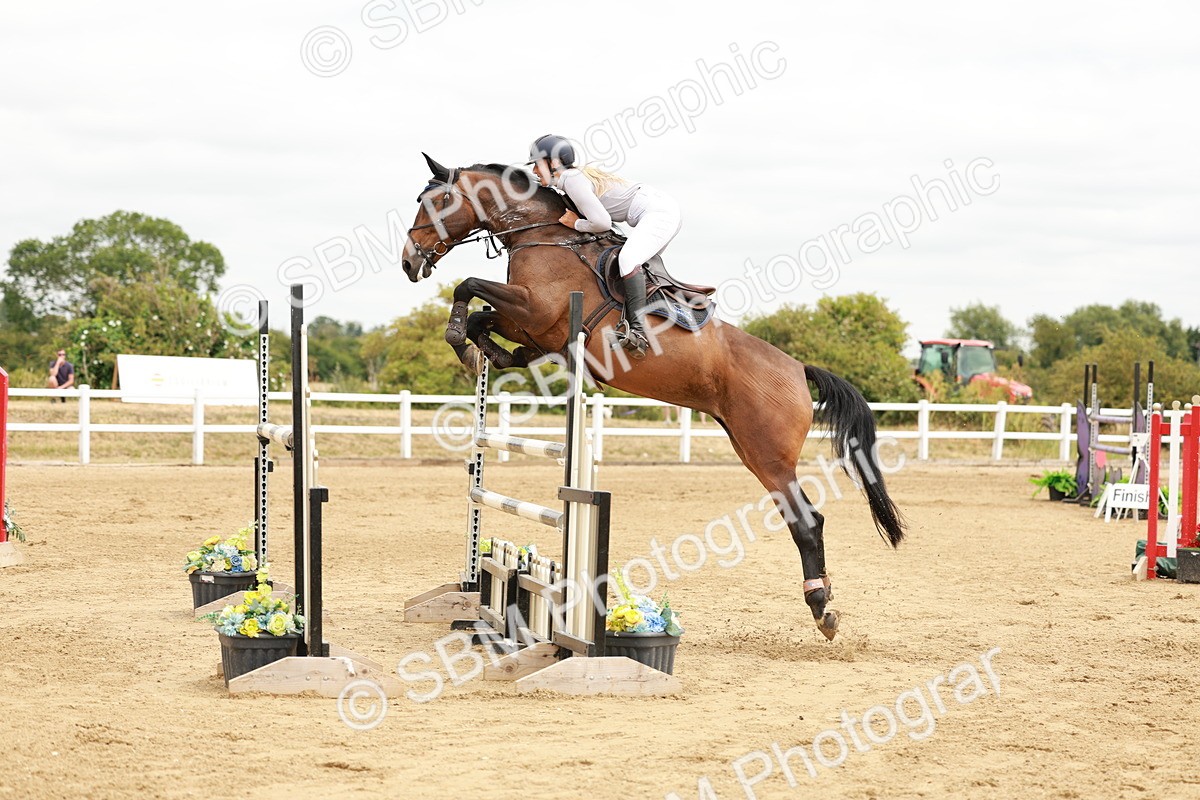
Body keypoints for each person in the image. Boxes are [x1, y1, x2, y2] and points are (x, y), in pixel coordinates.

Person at [526, 134, 682, 358]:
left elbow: (602, 223)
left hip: (659, 213)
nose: (534, 170)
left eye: (537, 164)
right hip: (659, 210)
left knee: (628, 260)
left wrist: (576, 223)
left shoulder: (572, 179)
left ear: (554, 162)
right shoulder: (570, 179)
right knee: (632, 271)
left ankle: (638, 333)